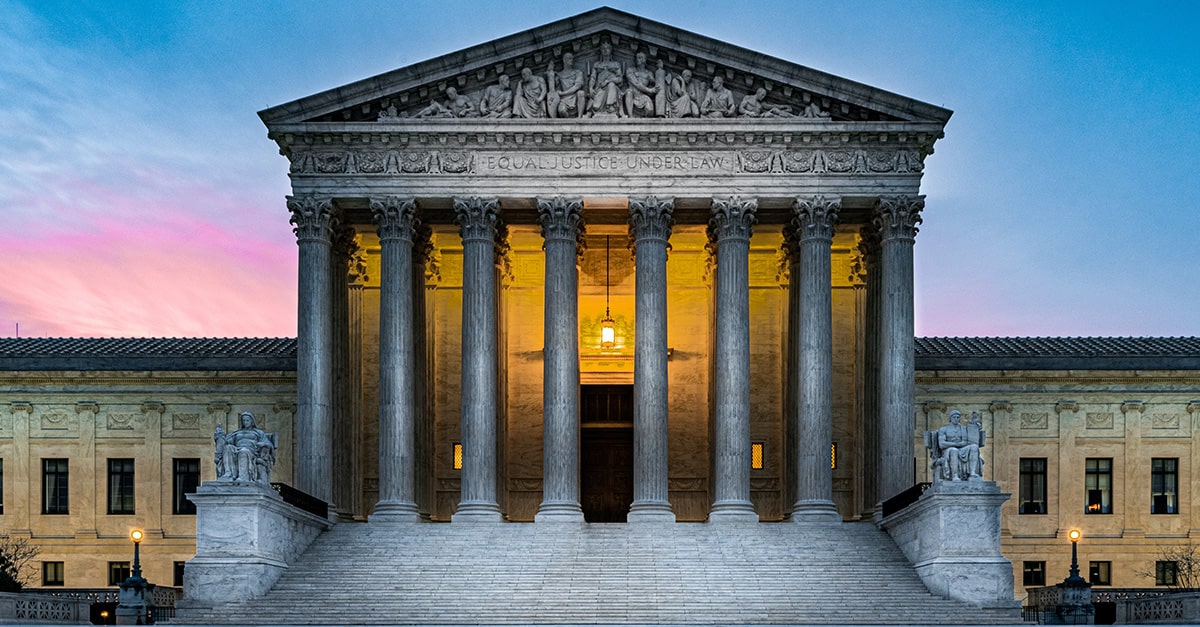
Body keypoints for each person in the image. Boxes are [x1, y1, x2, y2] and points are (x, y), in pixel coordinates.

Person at [216, 412, 277, 484]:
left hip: (252, 451)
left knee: (243, 451)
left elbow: (268, 444)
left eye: (247, 420)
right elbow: (227, 442)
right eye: (244, 421)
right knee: (227, 448)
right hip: (236, 448)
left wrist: (262, 444)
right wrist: (220, 436)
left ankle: (243, 477)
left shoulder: (259, 433)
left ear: (252, 421)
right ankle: (228, 474)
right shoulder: (237, 432)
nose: (245, 422)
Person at [936, 409, 982, 480]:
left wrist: (975, 427)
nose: (956, 419)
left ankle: (972, 473)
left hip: (963, 448)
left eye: (958, 417)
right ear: (950, 418)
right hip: (948, 450)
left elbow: (971, 439)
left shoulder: (963, 429)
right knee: (954, 450)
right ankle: (955, 475)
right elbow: (941, 444)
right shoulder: (944, 429)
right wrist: (957, 444)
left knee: (974, 447)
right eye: (954, 417)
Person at [587, 42, 624, 117]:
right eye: (603, 48)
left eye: (608, 48)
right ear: (600, 50)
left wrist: (608, 81)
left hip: (613, 88)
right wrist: (590, 88)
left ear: (611, 50)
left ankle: (610, 106)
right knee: (596, 106)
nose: (605, 50)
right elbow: (593, 78)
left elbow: (620, 79)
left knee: (611, 85)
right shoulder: (597, 65)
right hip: (599, 88)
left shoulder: (616, 64)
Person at [547, 53, 586, 119]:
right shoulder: (559, 75)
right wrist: (550, 72)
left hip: (575, 98)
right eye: (569, 58)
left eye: (572, 58)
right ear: (564, 60)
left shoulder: (578, 72)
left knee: (581, 93)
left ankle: (580, 117)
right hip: (564, 99)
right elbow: (553, 90)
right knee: (561, 111)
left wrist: (563, 93)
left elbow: (577, 86)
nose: (572, 60)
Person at [623, 52, 659, 117]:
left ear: (644, 60)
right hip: (632, 94)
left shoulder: (649, 74)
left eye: (639, 58)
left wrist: (654, 81)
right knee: (629, 92)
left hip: (642, 96)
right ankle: (630, 117)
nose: (637, 60)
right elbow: (636, 83)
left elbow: (656, 86)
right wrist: (650, 90)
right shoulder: (630, 70)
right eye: (637, 58)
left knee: (650, 110)